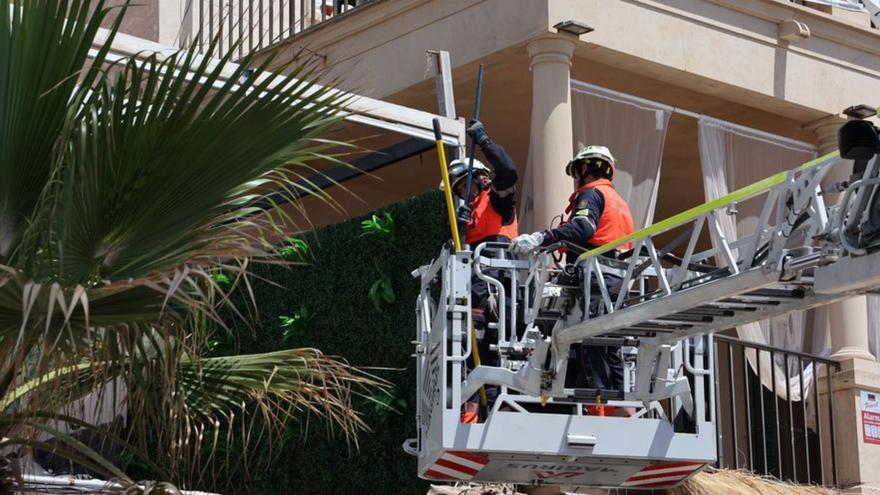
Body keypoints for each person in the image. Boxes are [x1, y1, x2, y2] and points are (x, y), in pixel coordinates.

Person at [509, 145, 634, 391]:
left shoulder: (591, 194)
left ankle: (599, 405)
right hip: (618, 279)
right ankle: (620, 405)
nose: (576, 179)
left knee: (590, 339)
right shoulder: (618, 201)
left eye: (577, 171)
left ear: (586, 168)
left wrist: (541, 238)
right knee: (612, 345)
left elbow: (582, 229)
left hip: (596, 278)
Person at [441, 120, 518, 423]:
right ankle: (470, 409)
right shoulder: (466, 214)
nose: (463, 193)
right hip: (473, 290)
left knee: (500, 348)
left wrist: (484, 140)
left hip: (499, 286)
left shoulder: (497, 200)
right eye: (458, 189)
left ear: (482, 180)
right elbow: (450, 248)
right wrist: (456, 225)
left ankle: (505, 409)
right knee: (466, 346)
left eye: (466, 185)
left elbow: (508, 170)